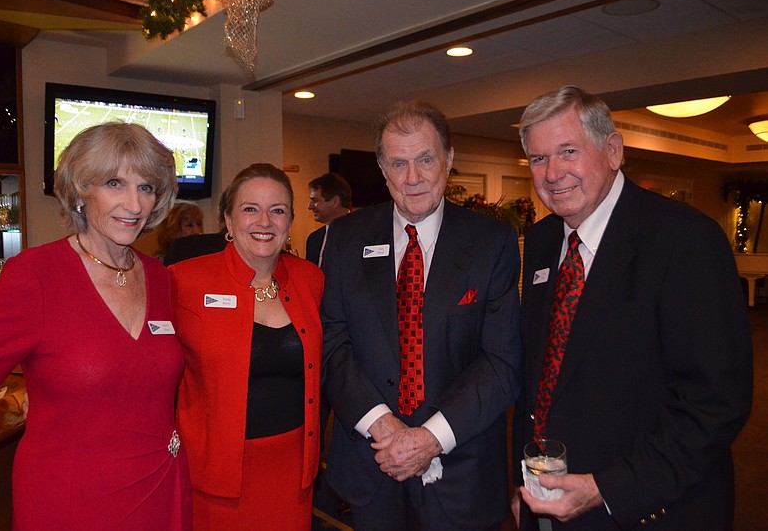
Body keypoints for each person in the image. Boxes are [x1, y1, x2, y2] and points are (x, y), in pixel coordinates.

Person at [0, 122, 191, 530]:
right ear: (81, 191)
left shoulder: (160, 277)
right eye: (115, 183)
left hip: (160, 488)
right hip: (71, 499)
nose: (135, 204)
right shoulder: (35, 275)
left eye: (147, 187)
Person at [512, 85, 752, 531]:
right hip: (550, 500)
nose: (552, 173)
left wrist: (609, 488)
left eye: (568, 151)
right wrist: (522, 480)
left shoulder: (685, 241)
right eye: (539, 159)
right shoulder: (543, 241)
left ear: (614, 151)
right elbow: (540, 376)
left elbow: (714, 402)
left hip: (647, 507)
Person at [321, 100, 522, 531]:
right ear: (382, 168)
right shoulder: (344, 238)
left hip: (461, 471)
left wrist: (428, 439)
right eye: (398, 163)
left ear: (448, 160)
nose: (413, 178)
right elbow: (332, 342)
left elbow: (501, 361)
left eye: (425, 159)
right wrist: (384, 427)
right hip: (371, 464)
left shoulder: (493, 243)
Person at [170, 163, 323, 531]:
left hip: (293, 470)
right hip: (215, 474)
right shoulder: (183, 282)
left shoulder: (310, 280)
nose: (264, 221)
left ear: (290, 221)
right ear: (227, 218)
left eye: (278, 210)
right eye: (250, 209)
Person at [163, 192, 228, 266]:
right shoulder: (161, 263)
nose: (197, 230)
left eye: (199, 224)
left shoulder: (208, 255)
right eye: (189, 225)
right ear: (172, 229)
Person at [305, 172, 352, 266]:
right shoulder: (314, 239)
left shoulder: (362, 234)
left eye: (315, 200)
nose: (309, 206)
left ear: (334, 201)